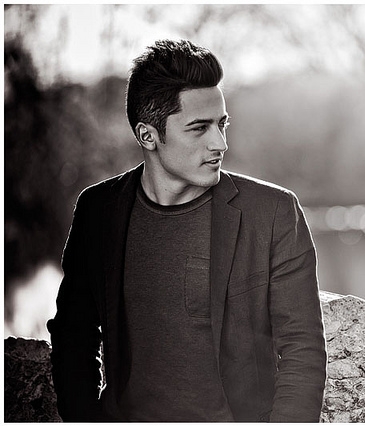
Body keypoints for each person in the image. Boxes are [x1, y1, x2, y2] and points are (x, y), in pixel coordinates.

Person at [47, 39, 327, 422]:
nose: (220, 143)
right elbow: (73, 335)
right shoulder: (99, 211)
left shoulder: (273, 213)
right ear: (148, 136)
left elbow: (302, 349)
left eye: (222, 124)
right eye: (199, 128)